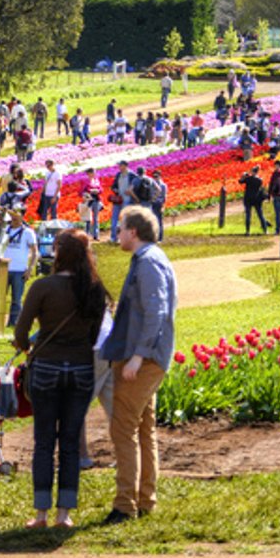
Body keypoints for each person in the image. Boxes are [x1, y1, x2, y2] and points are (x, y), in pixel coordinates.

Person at [13, 228, 106, 530]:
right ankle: (64, 514)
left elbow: (21, 332)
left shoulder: (42, 287)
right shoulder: (94, 288)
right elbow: (94, 336)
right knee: (70, 443)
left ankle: (40, 513)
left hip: (46, 368)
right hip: (80, 368)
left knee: (43, 441)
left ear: (58, 253)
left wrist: (28, 348)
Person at [102, 206, 177, 524]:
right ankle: (146, 500)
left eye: (120, 228)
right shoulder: (151, 258)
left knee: (123, 429)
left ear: (133, 231)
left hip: (143, 359)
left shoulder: (147, 262)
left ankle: (125, 505)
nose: (116, 233)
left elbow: (156, 311)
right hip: (147, 356)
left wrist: (137, 355)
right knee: (145, 429)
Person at [1, 208, 38, 328]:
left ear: (22, 216)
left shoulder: (28, 232)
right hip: (3, 269)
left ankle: (14, 323)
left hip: (19, 270)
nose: (14, 217)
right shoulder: (4, 230)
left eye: (17, 214)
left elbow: (35, 252)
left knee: (16, 299)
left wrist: (30, 268)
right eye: (12, 214)